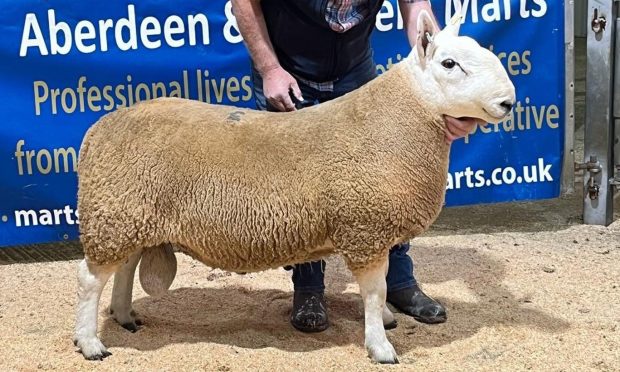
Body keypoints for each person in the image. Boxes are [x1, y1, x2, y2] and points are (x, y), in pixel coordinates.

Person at [232, 0, 480, 332]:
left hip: (354, 69)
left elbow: (415, 6)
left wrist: (439, 77)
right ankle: (308, 288)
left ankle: (398, 280)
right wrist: (269, 69)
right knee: (299, 189)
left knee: (384, 183)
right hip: (288, 70)